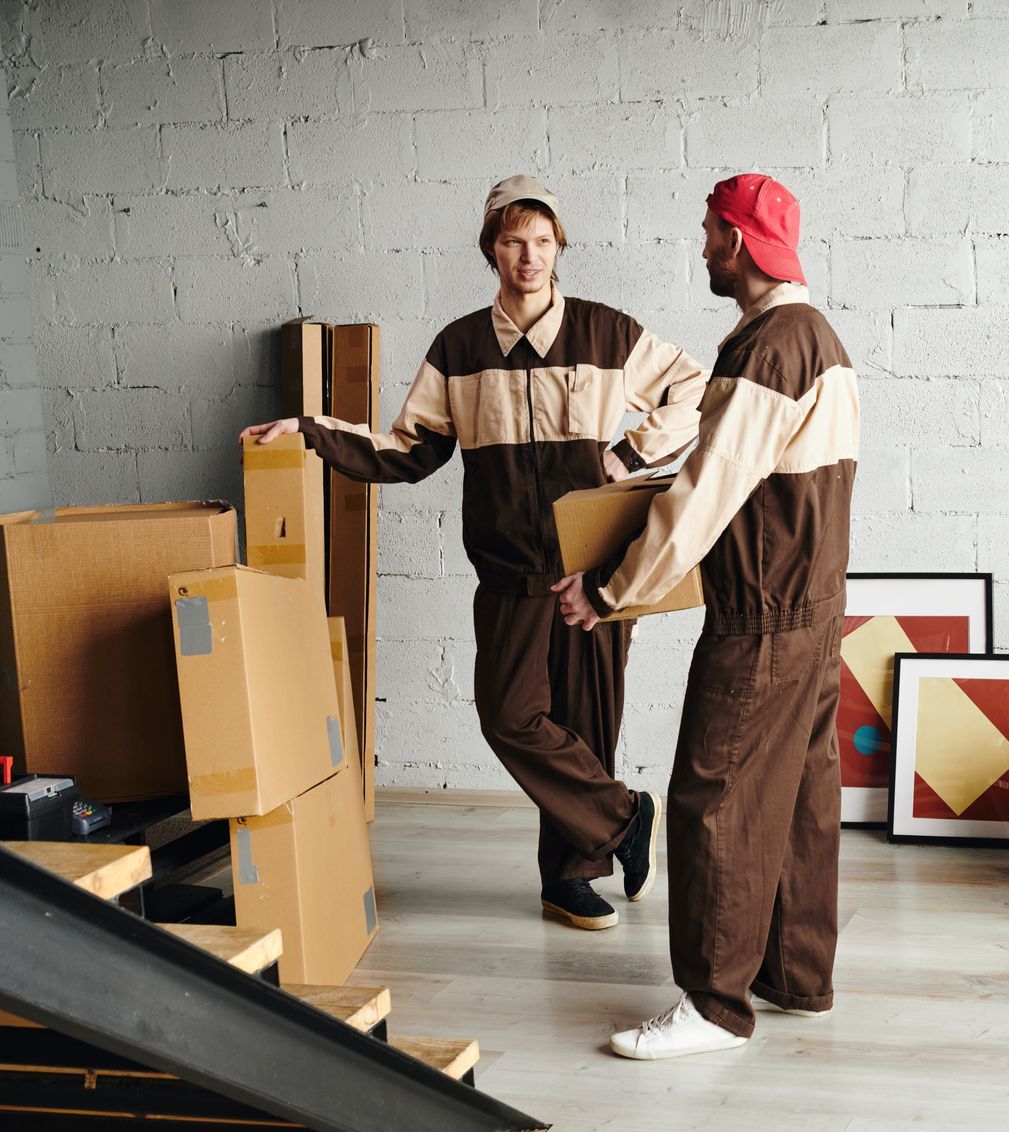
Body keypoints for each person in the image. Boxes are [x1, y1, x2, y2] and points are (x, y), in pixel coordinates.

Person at [239, 175, 708, 932]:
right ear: (491, 247)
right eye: (514, 240)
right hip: (509, 571)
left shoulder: (607, 333)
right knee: (509, 715)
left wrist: (627, 451)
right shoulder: (457, 348)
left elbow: (697, 387)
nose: (530, 255)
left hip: (597, 568)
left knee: (588, 725)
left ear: (561, 249)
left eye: (544, 241)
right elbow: (406, 450)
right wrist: (311, 430)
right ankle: (625, 818)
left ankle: (569, 881)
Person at [554, 174, 859, 1060]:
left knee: (713, 798)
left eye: (709, 234)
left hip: (761, 618)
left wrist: (612, 589)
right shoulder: (821, 339)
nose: (702, 250)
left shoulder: (768, 347)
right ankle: (796, 976)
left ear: (739, 239)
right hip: (814, 608)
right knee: (801, 796)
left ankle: (715, 1007)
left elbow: (705, 497)